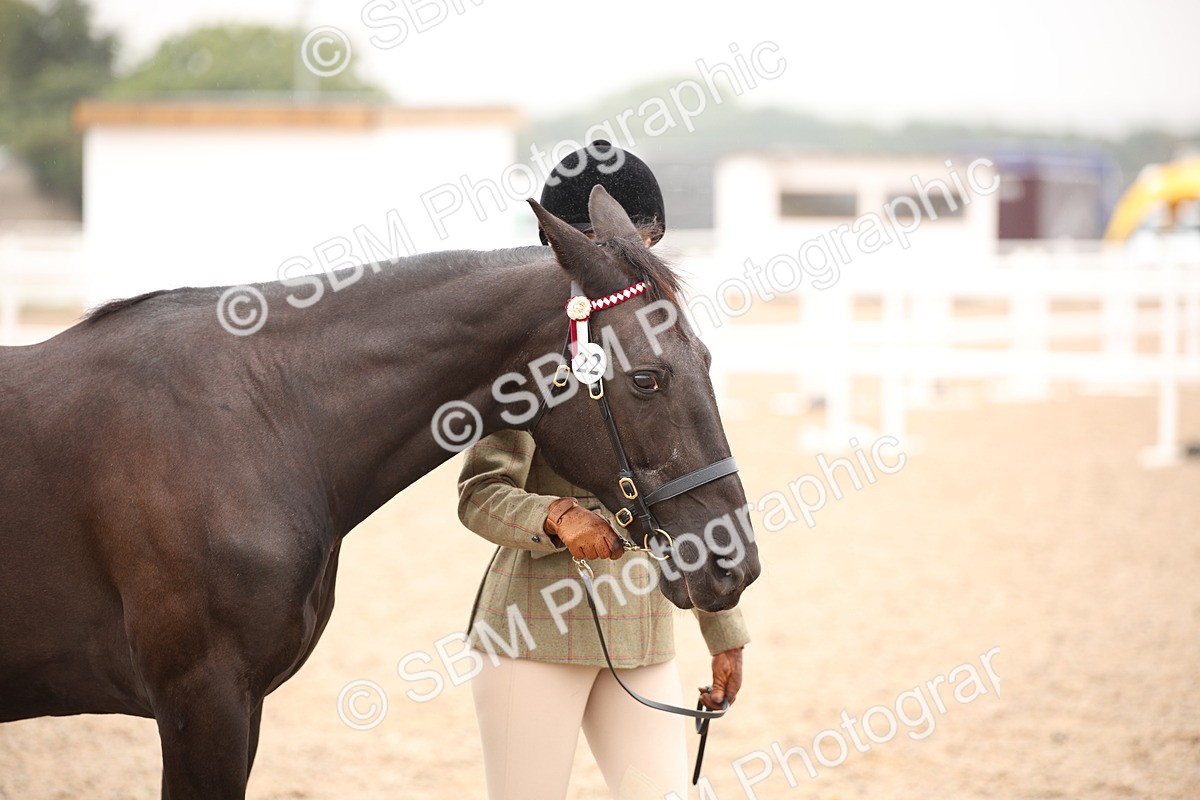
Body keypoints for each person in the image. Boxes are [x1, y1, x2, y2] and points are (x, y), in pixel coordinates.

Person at [459, 141, 750, 800]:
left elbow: (694, 491)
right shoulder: (530, 357)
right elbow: (480, 493)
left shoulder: (661, 350)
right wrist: (555, 516)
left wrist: (724, 628)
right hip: (532, 635)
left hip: (641, 630)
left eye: (650, 245)